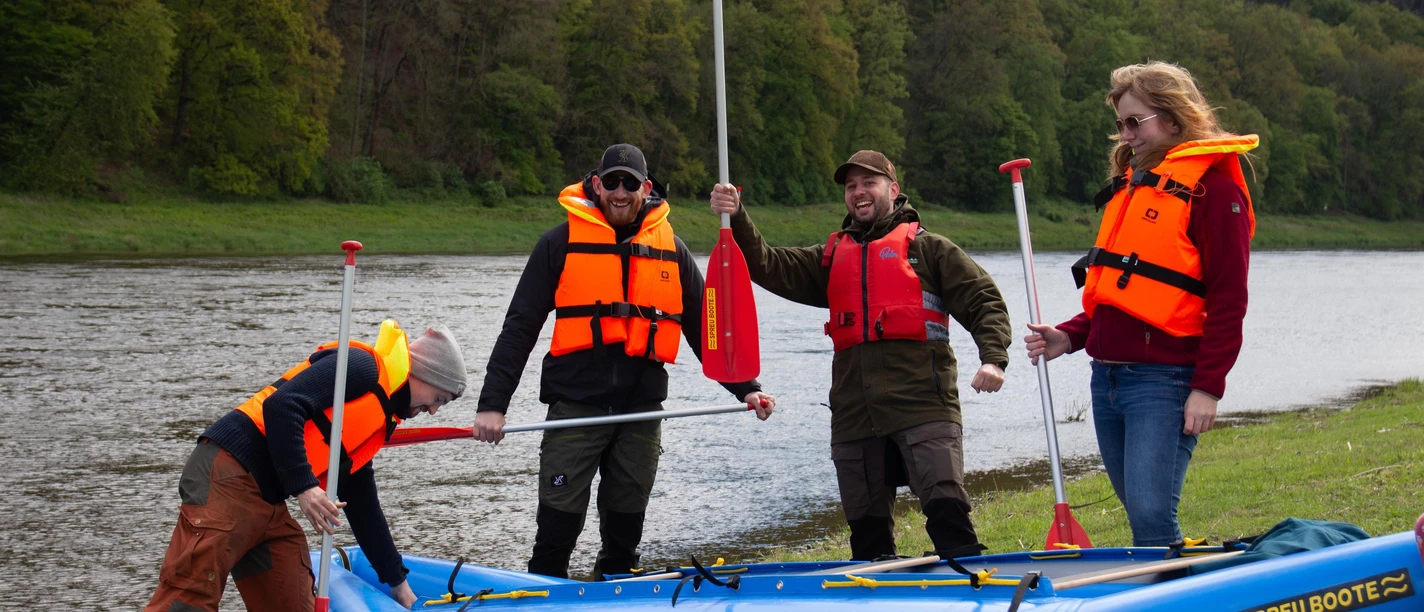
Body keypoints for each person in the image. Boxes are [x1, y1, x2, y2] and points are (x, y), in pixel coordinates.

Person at [474, 143, 776, 580]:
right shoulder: (558, 244)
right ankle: (542, 597)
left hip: (640, 412)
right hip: (575, 411)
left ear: (645, 188)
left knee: (624, 536)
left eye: (629, 183)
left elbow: (703, 329)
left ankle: (614, 594)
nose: (619, 191)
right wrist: (493, 404)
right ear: (595, 185)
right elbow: (519, 328)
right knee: (556, 534)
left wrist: (746, 387)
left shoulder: (670, 248)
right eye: (610, 181)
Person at [708, 150, 1012, 561]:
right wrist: (737, 215)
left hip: (922, 404)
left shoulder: (931, 250)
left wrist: (993, 358)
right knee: (867, 537)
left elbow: (983, 300)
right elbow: (765, 265)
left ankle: (973, 589)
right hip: (854, 413)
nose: (858, 192)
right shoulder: (830, 258)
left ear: (893, 189)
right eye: (851, 186)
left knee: (947, 513)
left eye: (868, 183)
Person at [1024, 61, 1256, 546]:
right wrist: (1070, 335)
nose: (1126, 135)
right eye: (1121, 124)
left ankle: (1186, 595)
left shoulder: (1214, 189)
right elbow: (1122, 292)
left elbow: (1229, 299)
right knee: (1144, 518)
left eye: (1136, 122)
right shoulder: (1134, 183)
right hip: (1106, 378)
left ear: (1172, 119)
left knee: (1151, 516)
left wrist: (1208, 387)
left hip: (1164, 381)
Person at [146, 320, 469, 611]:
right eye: (438, 399)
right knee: (187, 599)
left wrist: (400, 587)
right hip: (227, 473)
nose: (433, 411)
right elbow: (282, 406)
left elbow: (363, 506)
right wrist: (304, 487)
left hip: (268, 503)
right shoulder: (361, 367)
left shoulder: (379, 420)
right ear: (422, 373)